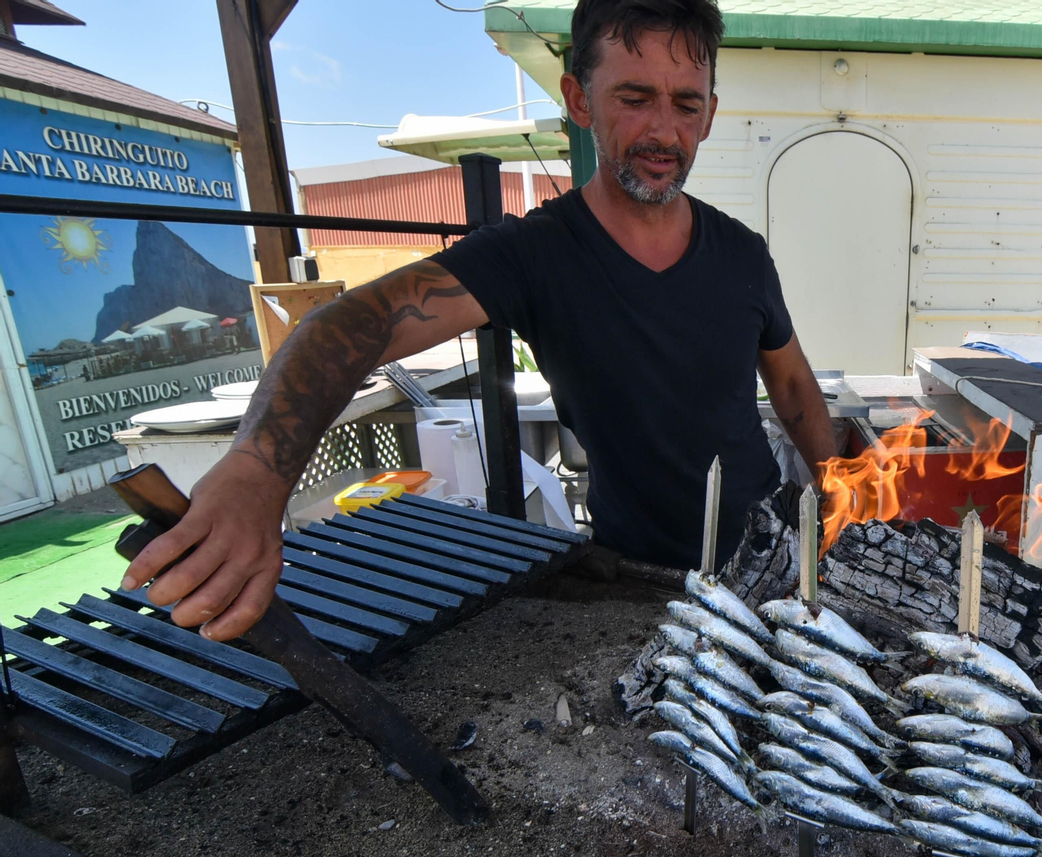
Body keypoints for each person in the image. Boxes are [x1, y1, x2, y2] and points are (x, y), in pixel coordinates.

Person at [120, 0, 836, 642]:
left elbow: (796, 388)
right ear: (579, 100)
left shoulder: (743, 252)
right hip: (639, 586)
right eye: (635, 96)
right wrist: (255, 471)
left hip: (769, 560)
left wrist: (839, 489)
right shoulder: (533, 254)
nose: (663, 130)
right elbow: (351, 325)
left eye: (686, 103)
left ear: (710, 111)